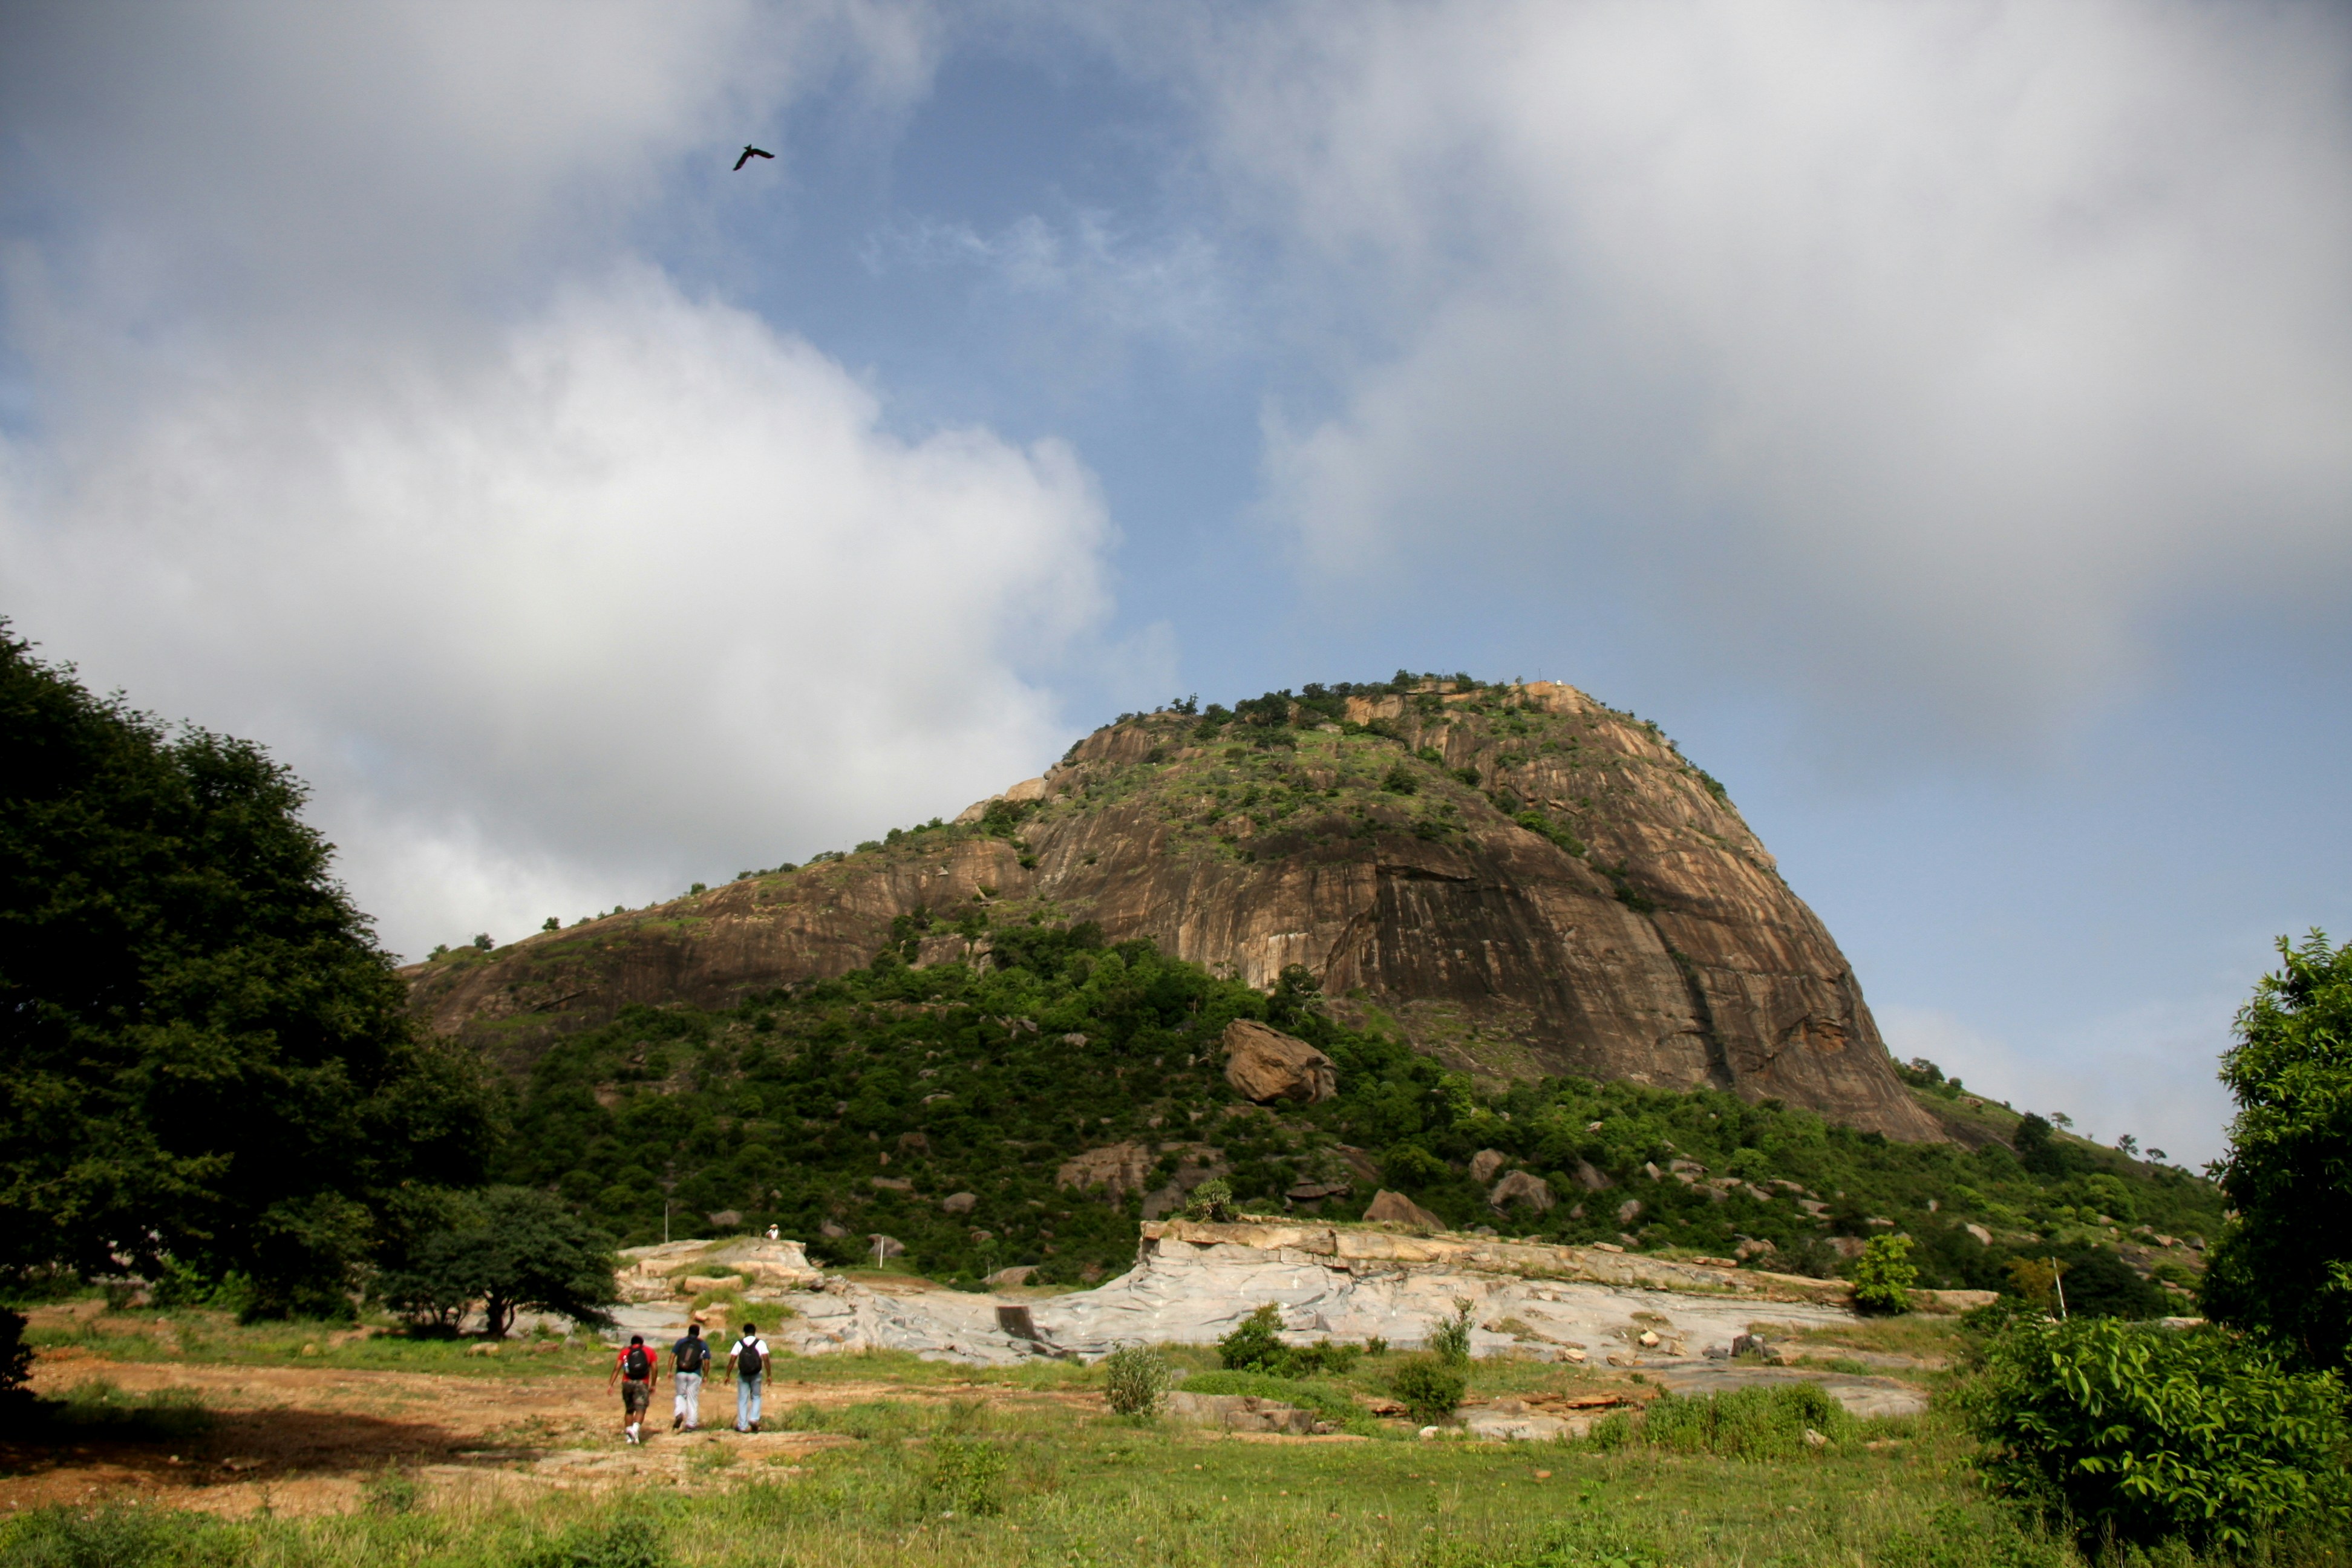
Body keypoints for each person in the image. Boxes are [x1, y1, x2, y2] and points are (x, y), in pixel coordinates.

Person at [609, 1333, 659, 1444]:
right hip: (642, 1383)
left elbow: (617, 1368)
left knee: (629, 1409)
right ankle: (635, 1430)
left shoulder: (625, 1352)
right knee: (641, 1408)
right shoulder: (649, 1351)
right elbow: (655, 1368)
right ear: (642, 1343)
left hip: (627, 1382)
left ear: (632, 1343)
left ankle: (629, 1437)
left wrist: (611, 1385)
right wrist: (653, 1384)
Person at [725, 1320, 769, 1433]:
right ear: (755, 1332)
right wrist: (769, 1375)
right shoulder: (761, 1343)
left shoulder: (739, 1344)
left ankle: (743, 1426)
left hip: (743, 1374)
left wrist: (728, 1375)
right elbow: (766, 1359)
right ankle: (754, 1419)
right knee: (756, 1397)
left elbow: (732, 1360)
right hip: (756, 1374)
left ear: (744, 1332)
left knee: (742, 1399)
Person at [670, 1322, 709, 1431]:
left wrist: (669, 1370)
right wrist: (706, 1375)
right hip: (695, 1374)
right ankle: (691, 1424)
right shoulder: (702, 1344)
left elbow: (673, 1355)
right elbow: (707, 1361)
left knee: (680, 1395)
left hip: (680, 1373)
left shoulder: (681, 1342)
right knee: (692, 1398)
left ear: (688, 1331)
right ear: (698, 1333)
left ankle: (679, 1413)